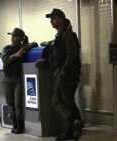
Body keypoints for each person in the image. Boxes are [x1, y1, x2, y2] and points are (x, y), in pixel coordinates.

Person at [36, 9, 83, 141]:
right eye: (51, 19)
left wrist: (63, 70)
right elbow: (57, 56)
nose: (51, 21)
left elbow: (72, 54)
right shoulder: (59, 36)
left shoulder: (67, 34)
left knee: (58, 101)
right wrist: (45, 61)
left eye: (54, 18)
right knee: (66, 101)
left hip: (66, 74)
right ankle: (73, 126)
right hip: (62, 73)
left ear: (61, 19)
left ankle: (74, 123)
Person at [1, 27, 38, 134]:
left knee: (18, 103)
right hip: (7, 79)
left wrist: (23, 48)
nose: (12, 38)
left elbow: (35, 44)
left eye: (15, 36)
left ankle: (20, 125)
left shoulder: (23, 48)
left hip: (18, 79)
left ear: (20, 38)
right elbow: (5, 60)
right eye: (12, 36)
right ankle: (14, 124)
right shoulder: (6, 48)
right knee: (10, 103)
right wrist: (15, 55)